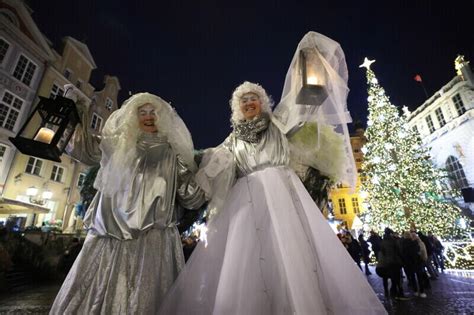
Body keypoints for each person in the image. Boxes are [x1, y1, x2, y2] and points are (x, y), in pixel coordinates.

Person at [159, 32, 386, 314]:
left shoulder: (278, 124)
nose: (249, 103)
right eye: (244, 101)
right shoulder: (231, 141)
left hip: (283, 194)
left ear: (263, 102)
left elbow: (304, 101)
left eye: (254, 98)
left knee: (293, 257)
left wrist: (311, 64)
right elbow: (208, 165)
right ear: (237, 108)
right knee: (248, 261)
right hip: (247, 199)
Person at [50, 93, 206, 314]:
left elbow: (191, 196)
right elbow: (82, 148)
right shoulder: (118, 145)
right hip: (110, 237)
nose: (149, 117)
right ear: (134, 117)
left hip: (153, 240)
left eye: (153, 112)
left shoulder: (172, 153)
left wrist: (211, 174)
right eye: (142, 113)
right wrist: (74, 111)